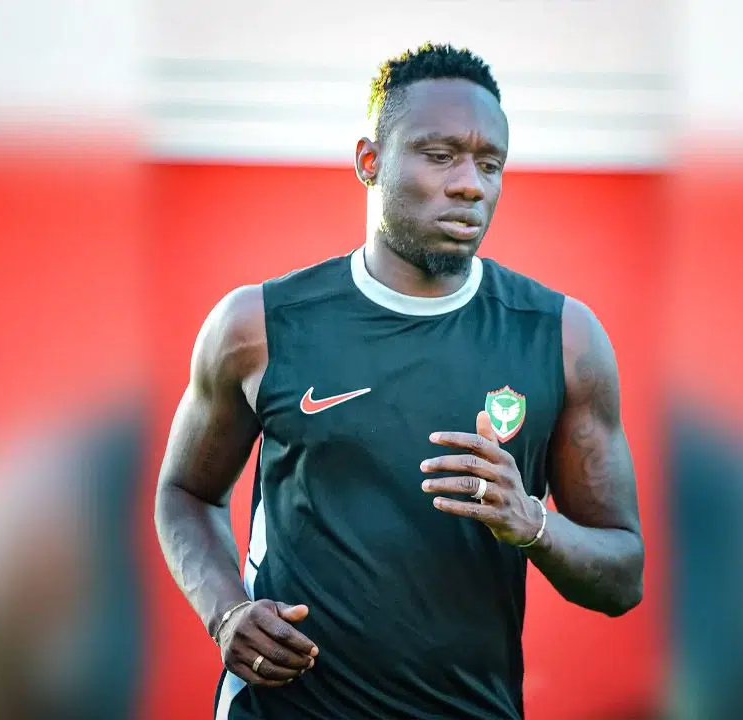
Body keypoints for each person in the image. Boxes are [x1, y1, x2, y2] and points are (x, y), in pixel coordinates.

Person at [154, 42, 645, 720]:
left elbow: (622, 576)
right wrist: (226, 612)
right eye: (440, 156)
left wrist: (533, 524)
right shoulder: (258, 325)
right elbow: (185, 493)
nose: (470, 184)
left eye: (490, 163)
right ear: (369, 160)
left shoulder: (562, 339)